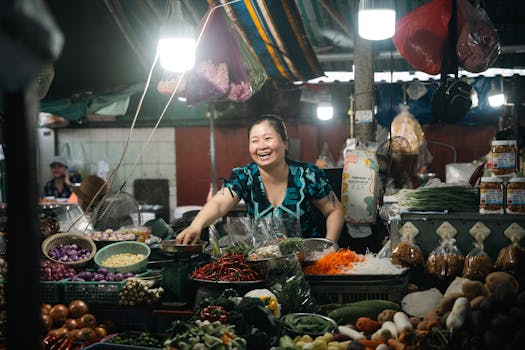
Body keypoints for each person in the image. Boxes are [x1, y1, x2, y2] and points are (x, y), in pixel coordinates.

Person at [176, 114, 344, 245]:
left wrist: (328, 246)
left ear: (285, 143)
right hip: (266, 264)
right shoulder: (245, 176)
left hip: (309, 262)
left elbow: (334, 211)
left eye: (268, 138)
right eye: (254, 141)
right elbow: (219, 204)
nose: (261, 146)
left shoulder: (307, 174)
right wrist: (196, 225)